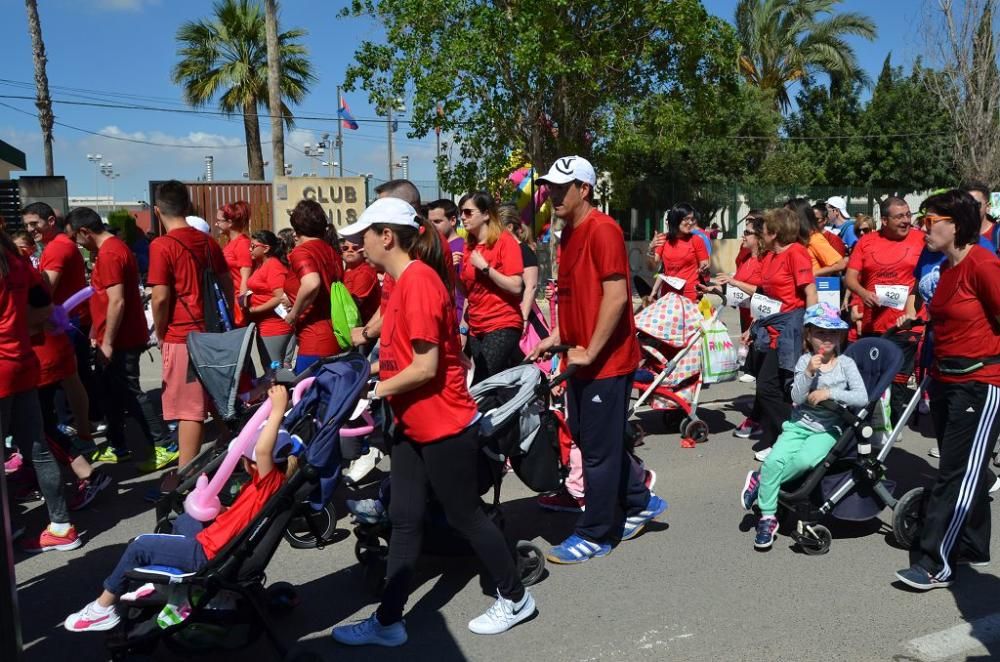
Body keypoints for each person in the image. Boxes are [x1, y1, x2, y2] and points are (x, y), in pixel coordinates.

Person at [331, 197, 537, 646]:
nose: (358, 241)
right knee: (405, 521)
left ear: (386, 237)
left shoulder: (420, 282)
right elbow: (397, 354)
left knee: (466, 517)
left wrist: (375, 392)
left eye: (364, 233)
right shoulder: (399, 282)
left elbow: (425, 368)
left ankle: (516, 597)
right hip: (410, 425)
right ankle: (388, 620)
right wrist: (358, 375)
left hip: (443, 425)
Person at [63, 383, 297, 632]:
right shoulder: (261, 488)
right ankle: (165, 586)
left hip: (208, 554)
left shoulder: (270, 482)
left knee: (139, 546)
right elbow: (242, 518)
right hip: (214, 542)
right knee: (184, 520)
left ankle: (103, 608)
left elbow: (262, 451)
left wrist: (277, 411)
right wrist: (218, 512)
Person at [528, 155, 665, 564]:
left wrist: (590, 349)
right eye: (549, 186)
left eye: (560, 187)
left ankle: (596, 533)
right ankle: (640, 502)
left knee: (597, 453)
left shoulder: (602, 229)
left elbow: (617, 296)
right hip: (580, 358)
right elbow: (577, 300)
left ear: (583, 189)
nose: (552, 194)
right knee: (592, 443)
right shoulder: (566, 233)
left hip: (606, 362)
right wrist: (558, 338)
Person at [894, 189, 1000, 590]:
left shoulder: (984, 264)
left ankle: (935, 564)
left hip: (980, 384)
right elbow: (951, 319)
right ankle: (974, 545)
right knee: (964, 467)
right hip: (945, 378)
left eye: (929, 221)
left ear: (956, 225)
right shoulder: (948, 267)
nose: (922, 229)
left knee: (956, 473)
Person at [739, 303, 868, 549]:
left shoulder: (846, 364)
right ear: (808, 335)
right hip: (798, 425)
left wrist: (829, 393)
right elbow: (796, 398)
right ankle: (767, 517)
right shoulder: (804, 361)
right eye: (820, 333)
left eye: (831, 333)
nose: (826, 338)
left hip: (827, 430)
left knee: (803, 462)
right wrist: (808, 374)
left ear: (840, 336)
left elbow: (862, 397)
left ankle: (762, 480)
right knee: (775, 460)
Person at [67, 207, 177, 472]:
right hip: (112, 336)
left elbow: (117, 301)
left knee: (129, 392)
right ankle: (119, 446)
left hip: (122, 339)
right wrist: (96, 331)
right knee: (110, 392)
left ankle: (164, 446)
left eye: (75, 238)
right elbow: (102, 299)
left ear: (85, 232)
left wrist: (107, 343)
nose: (76, 244)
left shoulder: (111, 253)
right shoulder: (108, 251)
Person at [0, 230, 81, 552]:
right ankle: (61, 526)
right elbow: (44, 305)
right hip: (22, 361)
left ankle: (11, 527)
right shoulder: (16, 260)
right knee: (38, 448)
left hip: (6, 366)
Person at [147, 181, 231, 469]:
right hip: (212, 332)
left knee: (189, 411)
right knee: (215, 400)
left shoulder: (162, 245)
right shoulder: (207, 242)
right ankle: (237, 455)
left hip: (182, 335)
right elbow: (226, 284)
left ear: (157, 211)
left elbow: (160, 297)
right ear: (188, 206)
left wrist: (160, 333)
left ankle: (186, 477)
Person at [844, 196, 925, 427]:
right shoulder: (867, 242)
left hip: (906, 321)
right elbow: (850, 277)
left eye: (908, 215)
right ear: (885, 220)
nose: (906, 220)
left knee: (898, 377)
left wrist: (914, 309)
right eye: (899, 216)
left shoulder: (921, 240)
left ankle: (893, 424)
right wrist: (863, 293)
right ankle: (872, 421)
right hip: (873, 322)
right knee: (873, 375)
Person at [22, 202, 100, 441]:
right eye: (27, 225)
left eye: (35, 223)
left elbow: (44, 292)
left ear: (51, 221)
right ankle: (81, 429)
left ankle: (75, 431)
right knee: (71, 380)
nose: (31, 229)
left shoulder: (57, 248)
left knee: (64, 381)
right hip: (66, 321)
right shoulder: (57, 246)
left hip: (62, 324)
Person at [748, 208, 818, 462]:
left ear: (774, 232)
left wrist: (810, 331)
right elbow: (765, 295)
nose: (759, 233)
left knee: (768, 387)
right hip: (771, 328)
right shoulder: (770, 257)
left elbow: (810, 292)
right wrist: (753, 326)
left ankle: (793, 434)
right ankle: (778, 439)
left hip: (792, 329)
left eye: (763, 229)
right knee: (774, 388)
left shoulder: (796, 253)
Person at [701, 214, 766, 432]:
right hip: (752, 322)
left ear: (759, 236)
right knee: (762, 378)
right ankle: (760, 419)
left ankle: (763, 421)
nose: (743, 236)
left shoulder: (766, 260)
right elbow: (739, 292)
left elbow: (763, 291)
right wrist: (716, 290)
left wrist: (734, 281)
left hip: (764, 323)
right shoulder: (747, 259)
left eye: (747, 232)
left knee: (767, 381)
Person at [459, 191, 524, 383]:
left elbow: (516, 286)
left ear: (486, 214)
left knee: (482, 382)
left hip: (502, 322)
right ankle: (527, 408)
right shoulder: (468, 247)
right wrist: (451, 273)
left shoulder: (504, 241)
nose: (463, 217)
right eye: (461, 212)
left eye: (468, 212)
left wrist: (487, 269)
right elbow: (467, 292)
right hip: (476, 326)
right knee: (495, 385)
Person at [350, 179, 423, 350]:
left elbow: (424, 368)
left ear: (387, 236)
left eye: (363, 238)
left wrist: (367, 333)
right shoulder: (399, 268)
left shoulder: (418, 273)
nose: (360, 247)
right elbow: (389, 306)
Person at [283, 200, 343, 373]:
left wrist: (294, 314)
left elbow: (312, 283)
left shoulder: (302, 251)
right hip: (334, 332)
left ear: (296, 226)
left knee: (305, 395)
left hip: (314, 339)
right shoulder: (331, 251)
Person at [244, 230, 294, 366]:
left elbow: (280, 297)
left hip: (274, 327)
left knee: (273, 369)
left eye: (253, 246)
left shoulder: (273, 265)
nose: (250, 249)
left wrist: (255, 310)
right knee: (270, 368)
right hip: (264, 325)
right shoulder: (262, 265)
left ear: (266, 248)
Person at [646, 203, 710, 302]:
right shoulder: (663, 239)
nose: (690, 222)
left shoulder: (697, 240)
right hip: (668, 295)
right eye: (686, 219)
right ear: (676, 220)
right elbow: (651, 267)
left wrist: (704, 269)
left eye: (692, 219)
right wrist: (651, 249)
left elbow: (705, 266)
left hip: (690, 296)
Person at [498, 203, 542, 331]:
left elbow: (531, 287)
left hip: (522, 317)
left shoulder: (524, 251)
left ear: (510, 227)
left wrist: (523, 318)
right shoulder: (504, 251)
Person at [427, 198, 466, 327]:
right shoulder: (430, 248)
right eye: (430, 222)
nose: (432, 226)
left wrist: (463, 327)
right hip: (437, 319)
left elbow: (468, 292)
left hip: (457, 320)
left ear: (453, 220)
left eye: (437, 221)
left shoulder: (463, 248)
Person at [216, 201, 253, 325]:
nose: (216, 224)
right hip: (231, 299)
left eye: (219, 221)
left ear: (230, 223)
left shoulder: (242, 243)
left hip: (238, 302)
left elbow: (245, 278)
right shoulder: (230, 243)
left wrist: (243, 306)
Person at [788, 198, 847, 276]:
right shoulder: (792, 238)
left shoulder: (814, 238)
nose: (782, 218)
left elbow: (840, 264)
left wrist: (811, 274)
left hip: (813, 286)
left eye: (786, 215)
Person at [341, 235, 381, 325]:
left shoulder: (365, 272)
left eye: (355, 248)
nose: (350, 250)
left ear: (362, 251)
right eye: (345, 248)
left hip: (362, 326)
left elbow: (353, 305)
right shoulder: (342, 271)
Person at [961, 180, 999, 251]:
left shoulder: (997, 234)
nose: (970, 209)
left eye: (976, 205)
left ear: (988, 207)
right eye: (966, 204)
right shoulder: (958, 236)